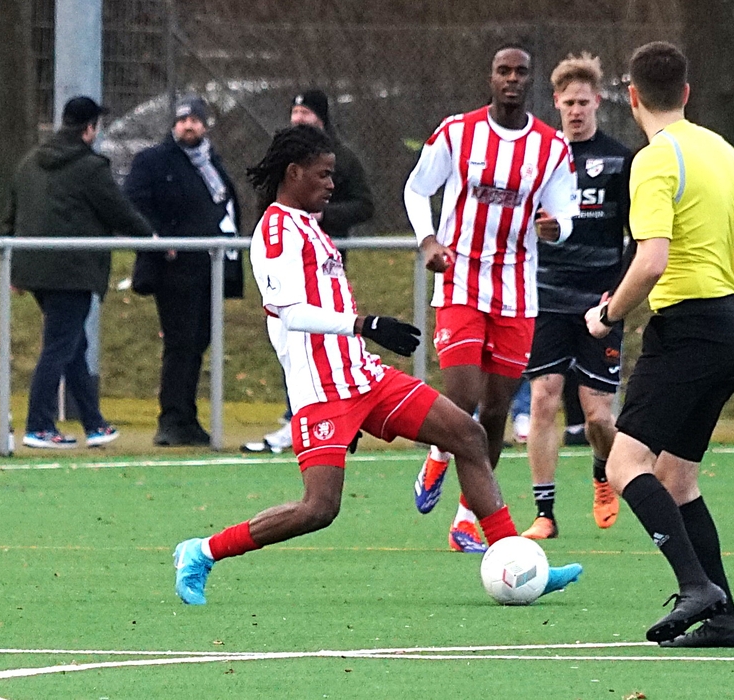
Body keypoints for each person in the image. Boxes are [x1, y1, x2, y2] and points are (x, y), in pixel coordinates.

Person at [171, 125, 582, 604]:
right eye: (324, 175)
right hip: (322, 391)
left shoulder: (310, 226)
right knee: (319, 508)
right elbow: (290, 313)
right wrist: (365, 324)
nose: (332, 184)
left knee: (469, 436)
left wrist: (362, 335)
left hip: (364, 377)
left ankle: (520, 563)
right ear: (293, 172)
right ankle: (202, 552)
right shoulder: (276, 230)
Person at [584, 41, 734, 647]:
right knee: (676, 477)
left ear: (631, 96)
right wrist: (719, 280)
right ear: (687, 93)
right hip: (726, 328)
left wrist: (608, 314)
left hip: (687, 332)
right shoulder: (721, 149)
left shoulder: (654, 160)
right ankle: (725, 619)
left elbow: (650, 261)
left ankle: (696, 586)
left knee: (623, 464)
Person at [403, 43, 579, 553]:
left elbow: (566, 211)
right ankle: (438, 457)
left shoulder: (551, 147)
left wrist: (557, 228)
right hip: (460, 278)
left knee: (497, 410)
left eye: (521, 72)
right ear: (491, 78)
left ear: (531, 81)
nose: (512, 79)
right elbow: (416, 189)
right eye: (504, 71)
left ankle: (465, 521)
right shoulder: (457, 132)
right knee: (463, 395)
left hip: (517, 289)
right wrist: (428, 241)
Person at [521, 52, 633, 540]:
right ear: (556, 103)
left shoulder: (620, 160)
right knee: (543, 399)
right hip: (546, 297)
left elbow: (638, 236)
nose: (576, 111)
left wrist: (619, 294)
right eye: (568, 103)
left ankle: (602, 474)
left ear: (598, 102)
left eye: (584, 102)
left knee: (598, 418)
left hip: (599, 302)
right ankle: (544, 513)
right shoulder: (541, 157)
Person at [2, 96, 153, 449]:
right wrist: (151, 238)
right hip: (72, 271)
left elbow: (12, 215)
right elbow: (118, 210)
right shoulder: (90, 168)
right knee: (60, 346)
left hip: (35, 267)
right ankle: (39, 425)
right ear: (89, 128)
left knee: (73, 344)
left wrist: (15, 268)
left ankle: (94, 423)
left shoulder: (29, 163)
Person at [243, 89, 377, 455]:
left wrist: (324, 217)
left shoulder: (342, 158)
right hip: (291, 270)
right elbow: (271, 205)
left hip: (326, 266)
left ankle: (337, 411)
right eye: (295, 111)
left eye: (306, 111)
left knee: (331, 341)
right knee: (296, 339)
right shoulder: (280, 219)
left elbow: (365, 205)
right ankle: (302, 418)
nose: (299, 117)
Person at [124, 96, 241, 446]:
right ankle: (172, 419)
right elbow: (133, 205)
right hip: (173, 270)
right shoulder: (153, 161)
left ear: (205, 125)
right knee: (180, 343)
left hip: (207, 267)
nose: (188, 125)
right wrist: (158, 238)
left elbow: (224, 209)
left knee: (198, 342)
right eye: (182, 120)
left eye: (195, 119)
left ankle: (186, 418)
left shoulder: (212, 164)